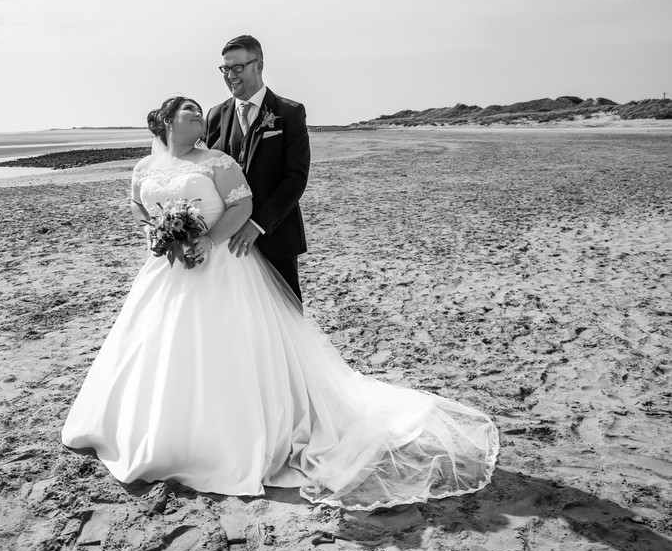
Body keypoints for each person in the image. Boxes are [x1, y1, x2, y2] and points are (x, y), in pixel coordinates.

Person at [61, 95, 499, 510]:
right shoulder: (144, 166)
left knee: (228, 349)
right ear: (166, 121)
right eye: (189, 111)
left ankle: (227, 439)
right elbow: (139, 207)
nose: (199, 116)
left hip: (221, 268)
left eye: (199, 111)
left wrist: (208, 243)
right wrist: (159, 237)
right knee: (155, 348)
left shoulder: (218, 161)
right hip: (166, 272)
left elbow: (243, 205)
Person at [206, 35, 309, 301]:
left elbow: (295, 177)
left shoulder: (289, 112)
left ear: (259, 66)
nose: (230, 75)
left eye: (237, 68)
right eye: (225, 69)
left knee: (287, 315)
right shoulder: (215, 115)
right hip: (228, 241)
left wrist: (257, 223)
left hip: (275, 235)